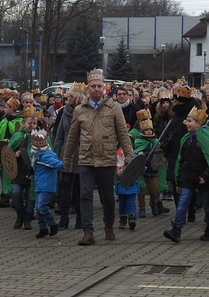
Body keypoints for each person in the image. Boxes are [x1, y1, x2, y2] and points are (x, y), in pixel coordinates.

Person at [62, 68, 134, 246]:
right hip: (86, 158)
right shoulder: (80, 110)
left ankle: (108, 226)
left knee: (108, 197)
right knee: (85, 195)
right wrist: (67, 157)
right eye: (93, 86)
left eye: (99, 86)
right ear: (88, 88)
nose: (96, 89)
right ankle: (88, 232)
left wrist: (129, 156)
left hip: (107, 158)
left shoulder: (114, 107)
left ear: (104, 88)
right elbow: (72, 136)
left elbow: (123, 133)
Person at [164, 107, 209, 242]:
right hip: (188, 179)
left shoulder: (208, 137)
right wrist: (179, 180)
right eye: (187, 120)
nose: (186, 123)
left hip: (202, 179)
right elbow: (182, 161)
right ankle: (176, 229)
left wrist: (206, 175)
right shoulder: (186, 139)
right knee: (182, 203)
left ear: (199, 123)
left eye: (190, 121)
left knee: (206, 205)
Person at [53, 83, 87, 230]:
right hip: (66, 155)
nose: (68, 100)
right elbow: (59, 134)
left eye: (71, 97)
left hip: (82, 155)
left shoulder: (87, 111)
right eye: (67, 97)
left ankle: (80, 218)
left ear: (78, 97)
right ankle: (64, 218)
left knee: (80, 189)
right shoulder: (63, 112)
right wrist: (56, 154)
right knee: (64, 187)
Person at [32, 130, 63, 239]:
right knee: (37, 209)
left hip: (46, 186)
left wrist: (64, 164)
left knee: (41, 207)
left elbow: (56, 163)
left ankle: (53, 224)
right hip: (40, 185)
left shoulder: (44, 157)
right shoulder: (38, 157)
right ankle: (43, 229)